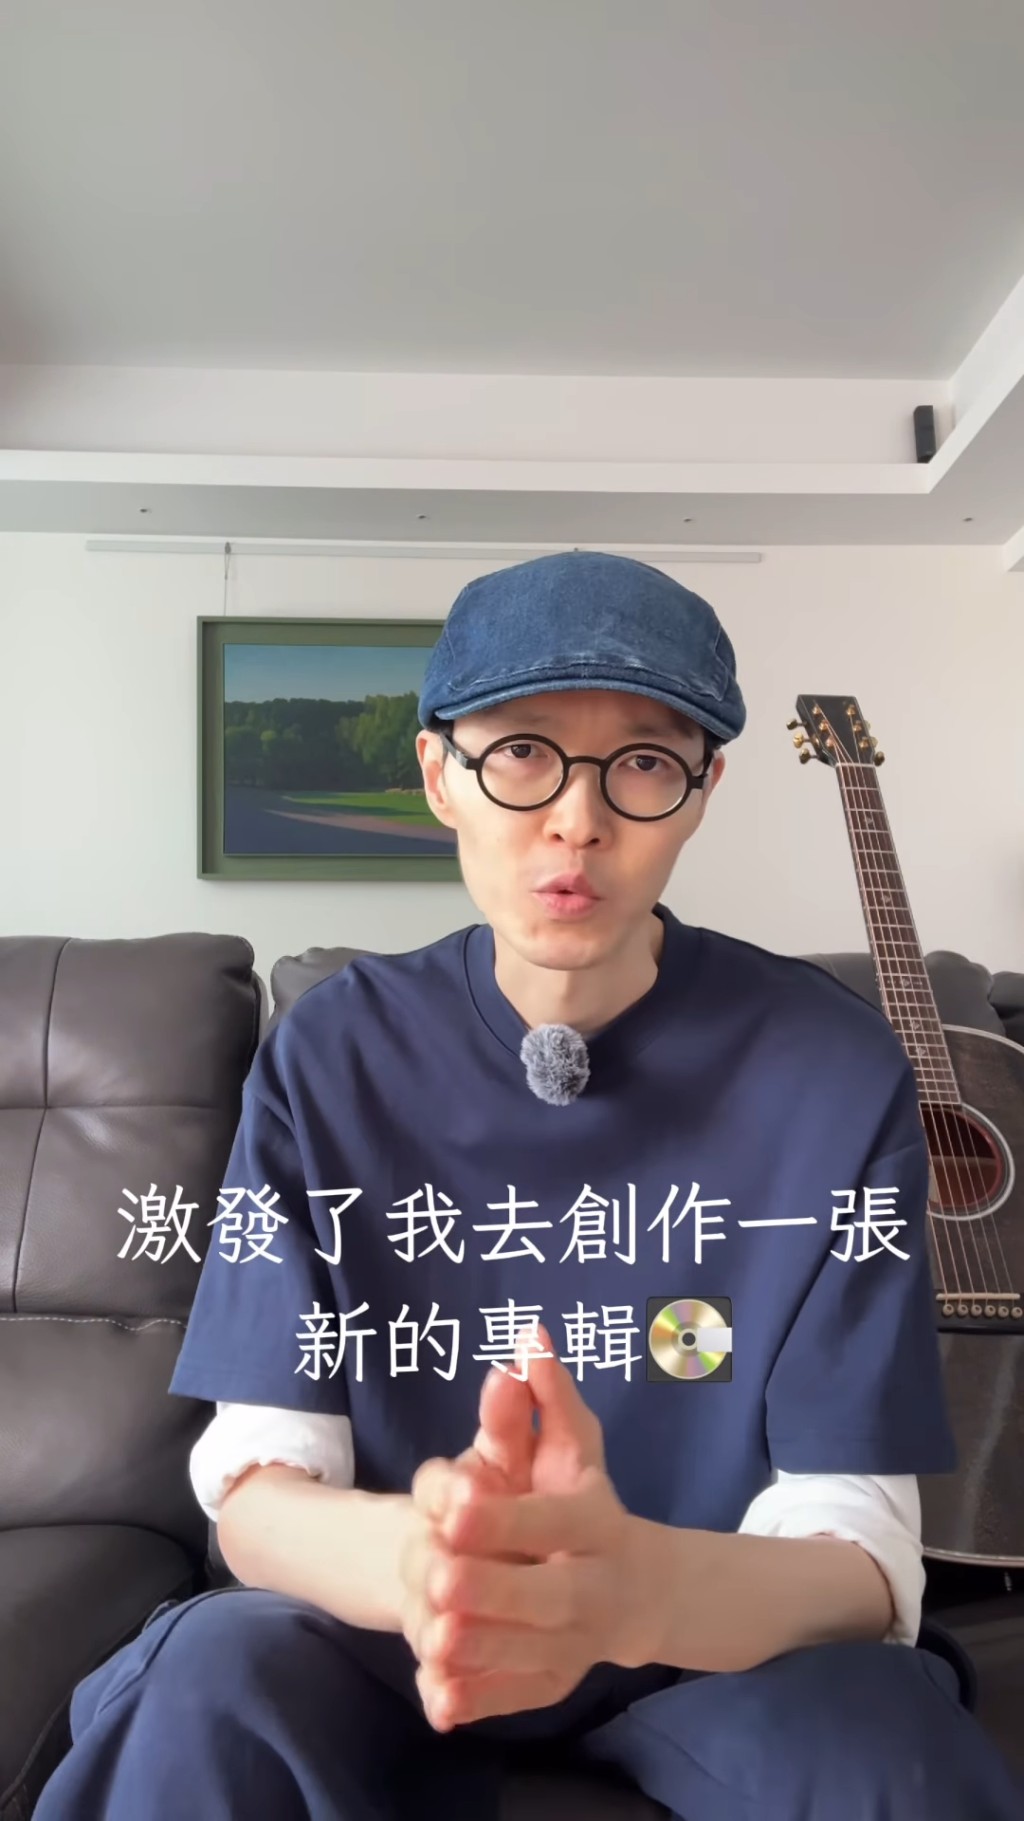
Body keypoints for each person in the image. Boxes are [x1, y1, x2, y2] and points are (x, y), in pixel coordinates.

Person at [35, 551, 1022, 1819]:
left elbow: (859, 1550)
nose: (578, 819)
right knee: (202, 1689)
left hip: (718, 1637)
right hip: (384, 1624)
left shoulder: (831, 1066)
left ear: (703, 791)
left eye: (644, 764)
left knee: (885, 1762)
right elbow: (260, 1485)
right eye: (520, 754)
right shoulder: (334, 1052)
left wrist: (623, 1591)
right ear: (439, 774)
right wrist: (436, 1562)